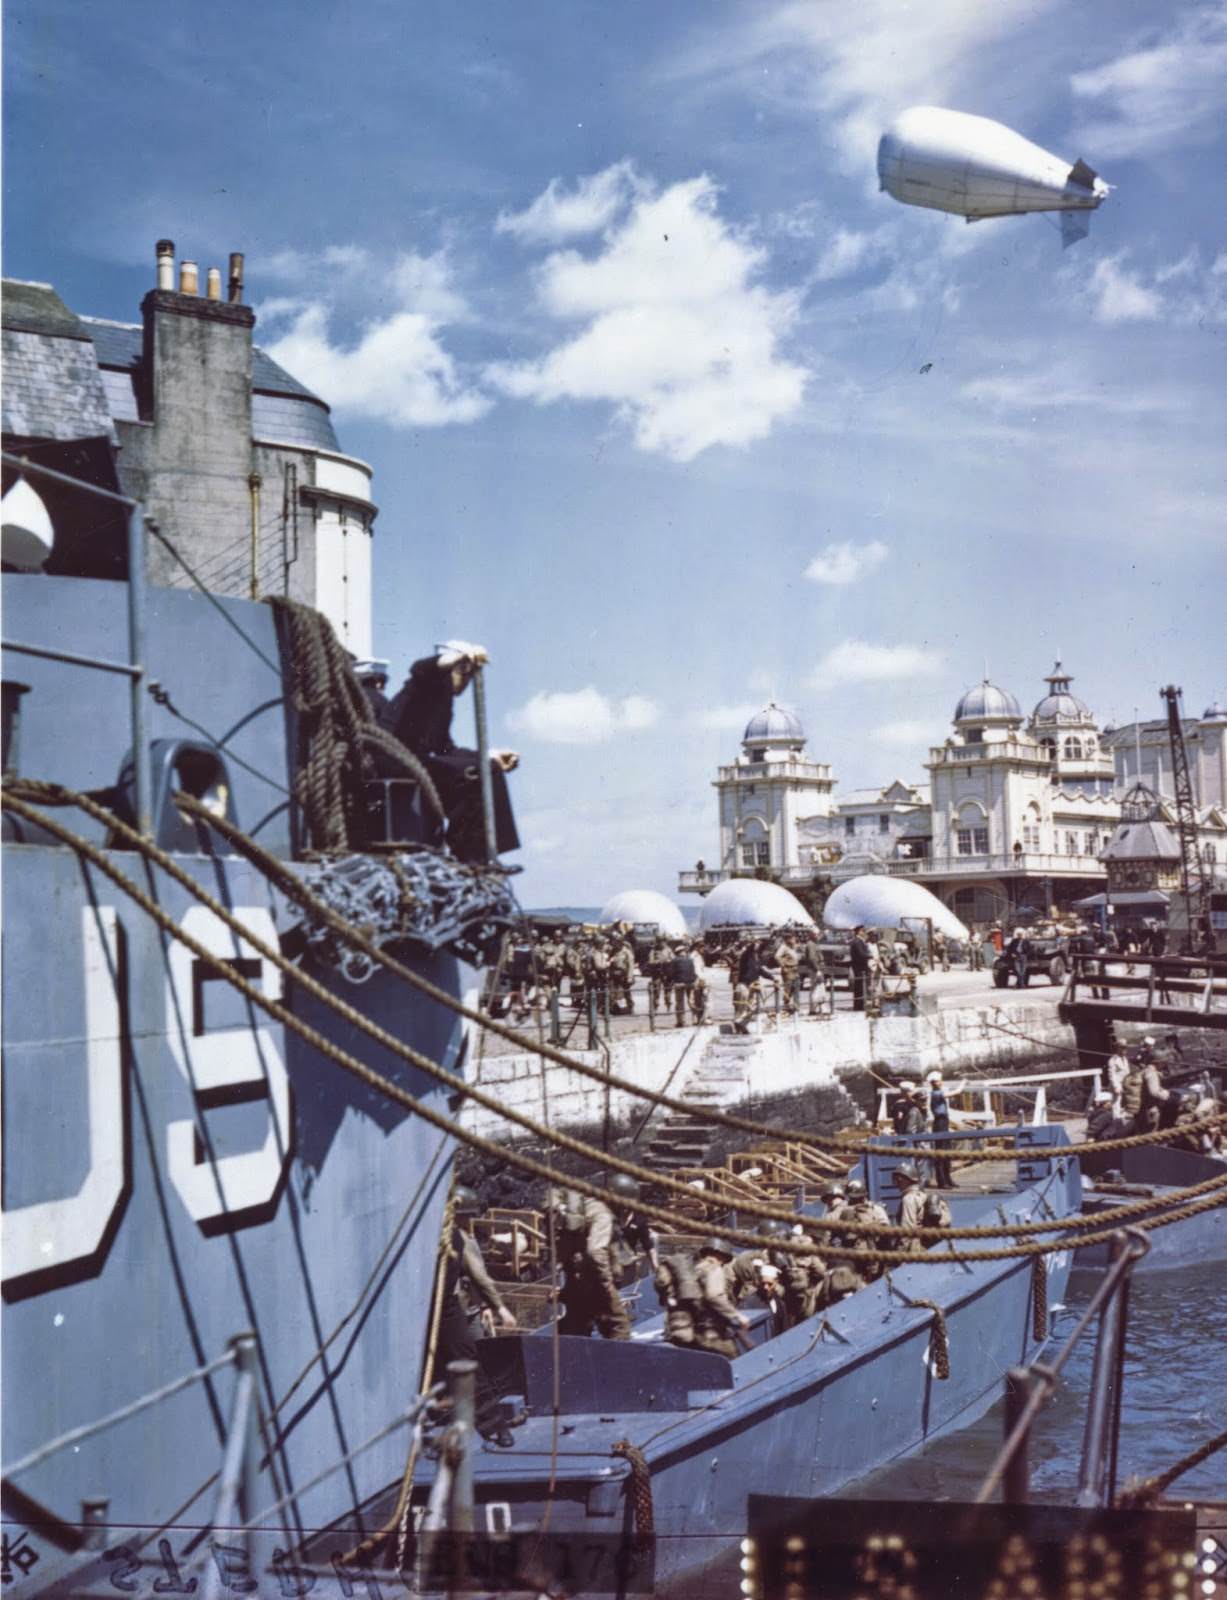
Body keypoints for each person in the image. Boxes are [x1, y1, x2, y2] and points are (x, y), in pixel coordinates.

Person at [388, 641, 520, 863]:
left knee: (490, 769)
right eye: (466, 675)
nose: (468, 683)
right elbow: (422, 668)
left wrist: (489, 756)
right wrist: (459, 658)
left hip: (418, 761)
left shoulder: (445, 701)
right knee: (474, 776)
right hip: (396, 760)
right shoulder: (426, 684)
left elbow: (446, 748)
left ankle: (485, 852)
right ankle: (467, 855)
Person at [436, 1185, 519, 1446]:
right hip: (420, 1308)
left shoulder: (457, 1240)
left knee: (467, 1360)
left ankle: (493, 1424)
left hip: (446, 1308)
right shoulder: (428, 1237)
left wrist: (498, 1307)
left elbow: (478, 1278)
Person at [550, 1175, 657, 1340]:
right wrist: (606, 1283)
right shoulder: (603, 1216)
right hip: (595, 1279)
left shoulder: (587, 1209)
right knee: (619, 1325)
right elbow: (596, 1252)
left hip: (575, 1277)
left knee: (576, 1324)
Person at [692, 1239, 751, 1357]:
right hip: (712, 1332)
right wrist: (737, 1315)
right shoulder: (714, 1269)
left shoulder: (694, 1270)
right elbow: (714, 1296)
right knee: (733, 1358)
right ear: (721, 1256)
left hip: (693, 1331)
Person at [926, 1070, 954, 1189]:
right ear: (933, 1083)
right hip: (940, 1122)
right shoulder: (936, 1094)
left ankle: (948, 1179)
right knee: (941, 1152)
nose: (940, 1082)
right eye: (938, 1081)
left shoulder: (938, 1092)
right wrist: (963, 1085)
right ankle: (942, 1181)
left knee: (947, 1152)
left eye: (940, 1080)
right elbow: (955, 1093)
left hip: (944, 1121)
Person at [353, 657, 394, 728]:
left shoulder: (341, 697)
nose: (384, 688)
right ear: (378, 682)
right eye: (384, 682)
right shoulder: (382, 702)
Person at [849, 926, 871, 1012]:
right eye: (863, 931)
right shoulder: (857, 941)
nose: (864, 932)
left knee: (861, 987)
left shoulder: (860, 941)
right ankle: (858, 1006)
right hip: (859, 968)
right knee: (859, 987)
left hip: (861, 967)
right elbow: (861, 954)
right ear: (859, 932)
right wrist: (870, 955)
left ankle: (860, 1005)